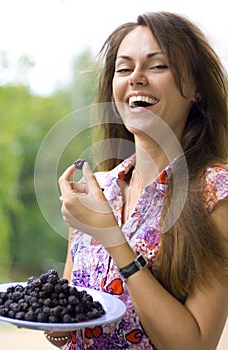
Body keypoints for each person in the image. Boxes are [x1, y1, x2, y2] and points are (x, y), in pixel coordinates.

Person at [48, 11, 228, 349]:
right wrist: (48, 317)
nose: (136, 78)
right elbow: (72, 327)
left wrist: (110, 236)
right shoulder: (97, 188)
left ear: (197, 89)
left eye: (158, 66)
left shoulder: (215, 192)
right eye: (124, 68)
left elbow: (195, 344)